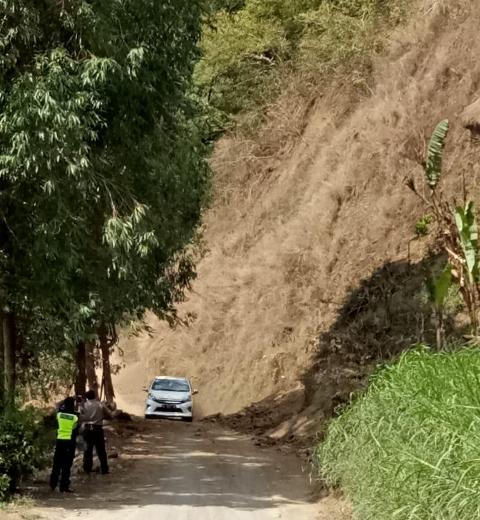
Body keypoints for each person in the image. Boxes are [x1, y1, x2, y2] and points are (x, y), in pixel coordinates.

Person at [50, 397, 78, 493]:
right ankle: (64, 486)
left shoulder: (59, 415)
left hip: (60, 441)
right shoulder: (74, 417)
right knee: (66, 465)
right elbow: (75, 429)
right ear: (72, 405)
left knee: (56, 463)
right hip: (69, 442)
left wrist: (63, 402)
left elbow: (57, 407)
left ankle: (53, 484)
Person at [80, 390, 111, 475]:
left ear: (86, 397)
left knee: (87, 450)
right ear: (94, 396)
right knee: (101, 450)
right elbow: (110, 414)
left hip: (87, 429)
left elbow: (80, 416)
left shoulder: (83, 405)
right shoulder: (100, 404)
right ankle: (104, 469)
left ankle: (87, 469)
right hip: (97, 429)